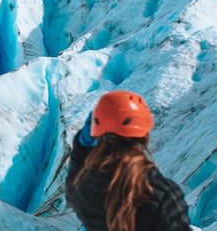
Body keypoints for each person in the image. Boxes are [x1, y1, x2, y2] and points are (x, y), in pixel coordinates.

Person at [65, 90, 191, 231]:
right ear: (144, 136)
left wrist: (81, 147)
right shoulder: (161, 192)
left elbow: (74, 178)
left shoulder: (84, 188)